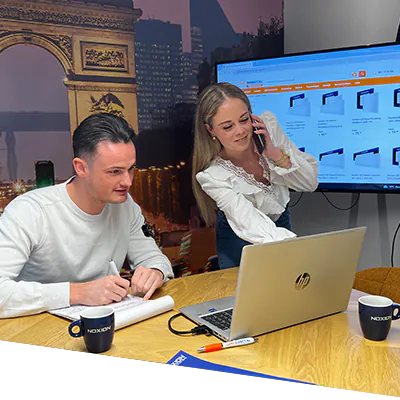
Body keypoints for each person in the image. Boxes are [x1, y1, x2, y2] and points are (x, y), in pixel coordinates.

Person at [0, 113, 174, 319]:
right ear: (81, 168)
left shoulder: (125, 206)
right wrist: (78, 292)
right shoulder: (30, 211)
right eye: (115, 171)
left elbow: (155, 259)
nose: (127, 181)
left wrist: (155, 272)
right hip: (35, 328)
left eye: (131, 169)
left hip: (108, 324)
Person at [192, 82, 319, 269]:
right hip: (240, 240)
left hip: (280, 228)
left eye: (244, 120)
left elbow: (310, 183)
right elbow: (251, 223)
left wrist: (275, 154)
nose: (240, 131)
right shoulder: (213, 176)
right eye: (228, 127)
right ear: (211, 130)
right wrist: (297, 249)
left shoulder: (268, 129)